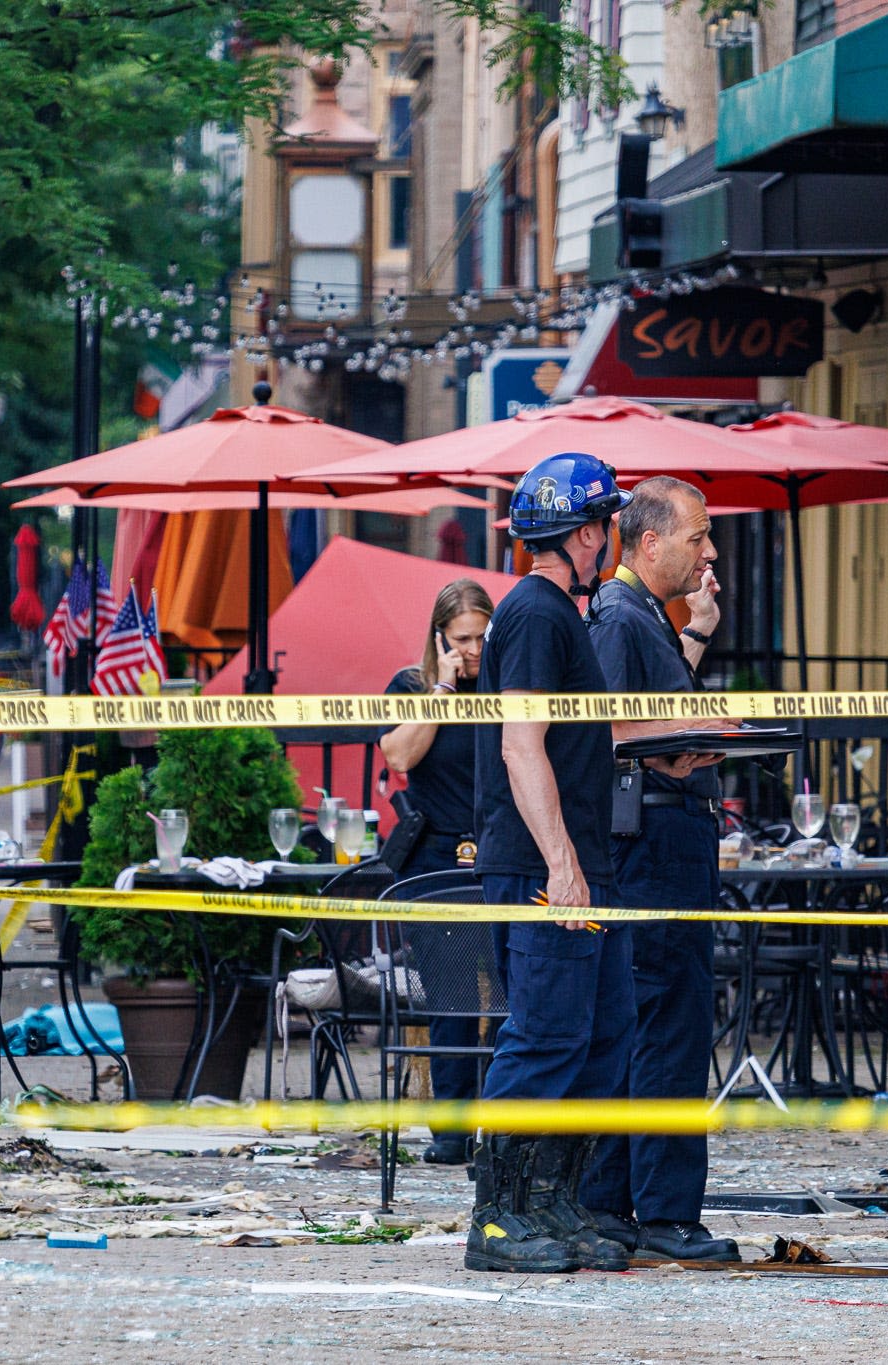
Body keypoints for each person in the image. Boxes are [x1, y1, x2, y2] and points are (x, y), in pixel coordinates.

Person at [463, 452, 635, 1275]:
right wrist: (561, 866)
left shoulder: (558, 610)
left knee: (598, 1035)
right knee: (542, 1037)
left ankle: (551, 1202)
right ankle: (497, 1219)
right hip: (545, 868)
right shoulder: (534, 612)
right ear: (586, 532)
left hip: (583, 864)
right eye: (608, 527)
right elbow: (520, 744)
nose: (613, 542)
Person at [579, 474, 739, 1263]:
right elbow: (608, 727)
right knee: (666, 1027)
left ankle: (618, 1204)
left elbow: (645, 700)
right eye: (697, 535)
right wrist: (691, 744)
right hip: (652, 844)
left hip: (665, 840)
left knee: (651, 1021)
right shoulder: (617, 615)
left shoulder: (640, 616)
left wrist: (699, 638)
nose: (708, 549)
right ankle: (664, 1213)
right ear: (649, 543)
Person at [377, 578, 494, 1165]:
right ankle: (451, 1133)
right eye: (462, 639)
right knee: (451, 1003)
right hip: (435, 859)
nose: (474, 650)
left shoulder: (507, 687)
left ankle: (499, 1128)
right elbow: (398, 757)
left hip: (500, 854)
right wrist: (444, 688)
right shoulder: (413, 685)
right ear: (440, 638)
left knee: (508, 996)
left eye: (482, 637)